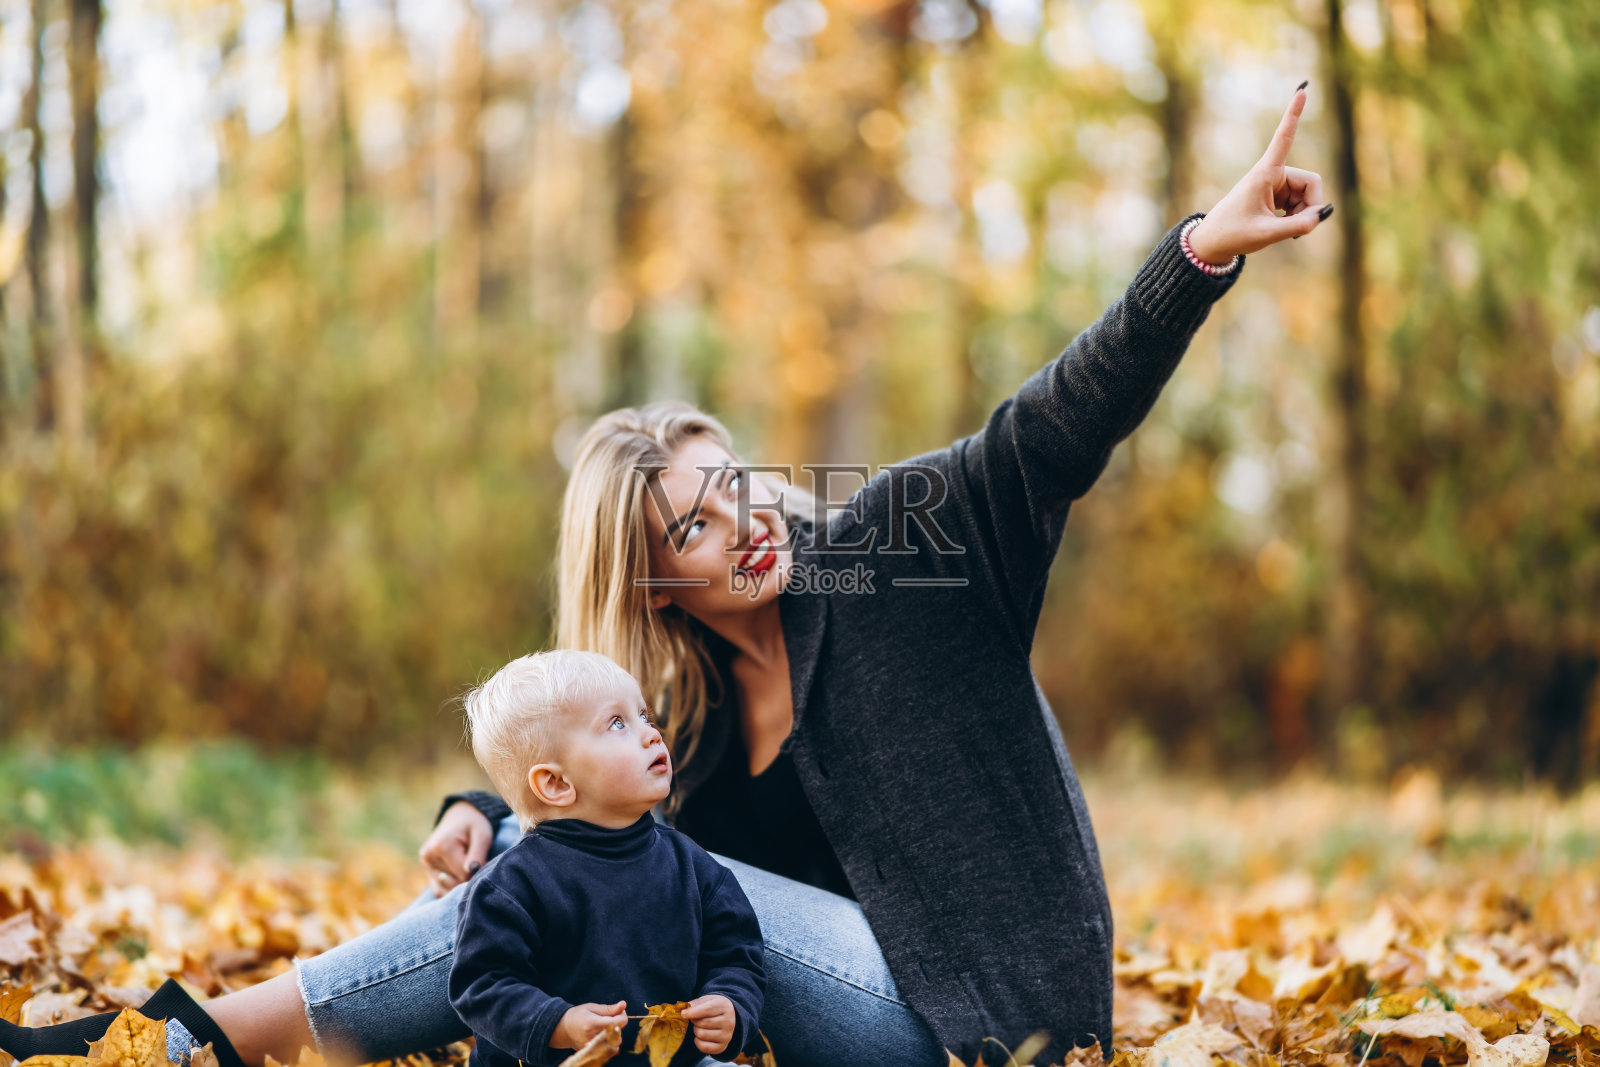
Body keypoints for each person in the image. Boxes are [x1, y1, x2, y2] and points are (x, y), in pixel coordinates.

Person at [1, 82, 1331, 1067]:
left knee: (618, 850)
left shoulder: (902, 547)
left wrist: (1198, 253)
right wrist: (492, 802)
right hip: (834, 1014)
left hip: (991, 1020)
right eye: (694, 526)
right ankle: (191, 1043)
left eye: (737, 479)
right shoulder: (674, 723)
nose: (745, 520)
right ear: (651, 589)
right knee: (557, 849)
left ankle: (188, 1046)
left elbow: (1057, 419)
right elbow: (592, 812)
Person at [448, 649, 764, 1067]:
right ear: (556, 783)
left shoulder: (692, 865)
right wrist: (556, 1023)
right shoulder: (511, 886)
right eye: (617, 724)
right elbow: (482, 984)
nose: (652, 734)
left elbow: (736, 950)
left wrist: (730, 1003)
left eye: (645, 716)